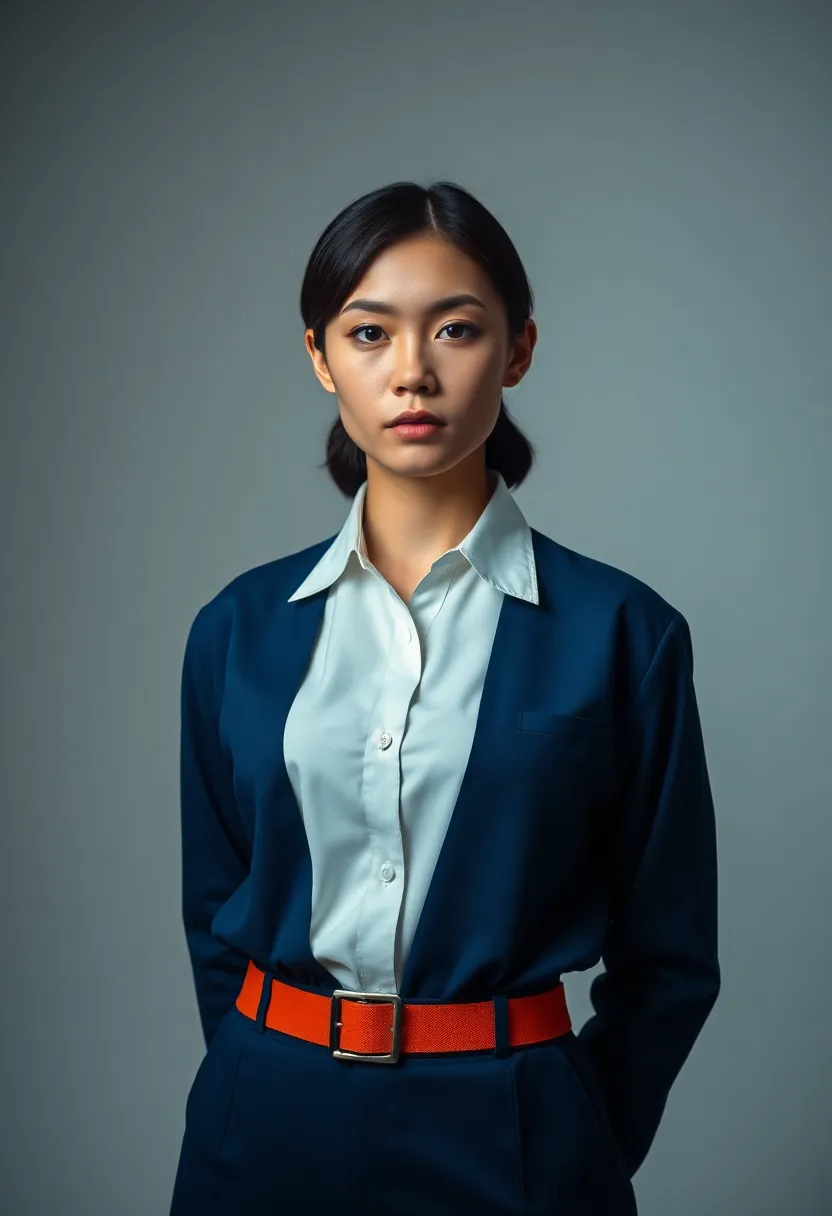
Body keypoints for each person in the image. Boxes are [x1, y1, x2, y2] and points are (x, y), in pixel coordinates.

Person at [168, 180, 721, 1215]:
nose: (412, 372)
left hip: (511, 1124)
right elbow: (214, 915)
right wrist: (260, 1067)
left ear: (516, 351)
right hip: (263, 1117)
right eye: (368, 332)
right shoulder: (237, 630)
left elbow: (670, 960)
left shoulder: (622, 634)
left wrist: (572, 1133)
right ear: (320, 358)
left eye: (456, 329)